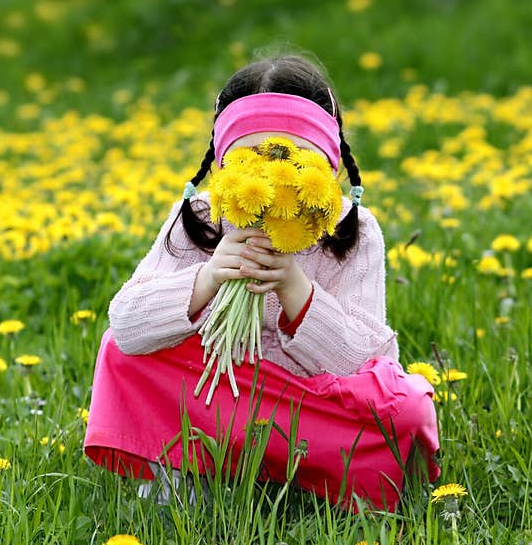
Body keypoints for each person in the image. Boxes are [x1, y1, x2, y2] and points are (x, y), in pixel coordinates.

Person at [83, 53, 441, 513]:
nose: (272, 181)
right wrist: (208, 277)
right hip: (215, 399)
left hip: (306, 412)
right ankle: (188, 469)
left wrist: (296, 291)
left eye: (293, 161)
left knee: (408, 407)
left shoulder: (355, 229)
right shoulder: (199, 216)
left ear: (328, 167)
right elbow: (129, 324)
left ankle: (328, 478)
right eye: (251, 161)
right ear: (223, 164)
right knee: (119, 350)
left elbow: (368, 363)